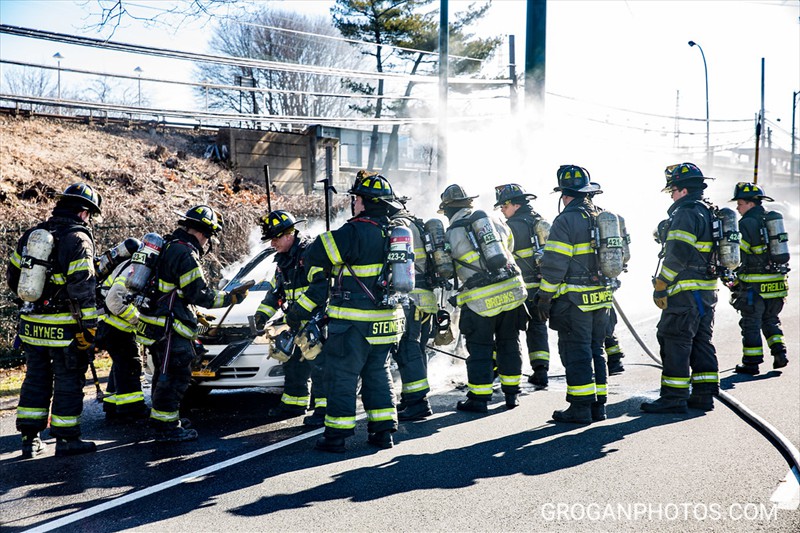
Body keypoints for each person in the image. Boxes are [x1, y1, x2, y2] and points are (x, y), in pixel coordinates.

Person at [302, 174, 404, 452]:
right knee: (377, 373)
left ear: (364, 202)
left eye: (356, 198)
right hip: (386, 321)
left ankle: (336, 436)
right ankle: (383, 432)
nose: (354, 203)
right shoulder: (393, 232)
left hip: (353, 323)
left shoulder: (355, 231)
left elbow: (315, 253)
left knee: (342, 375)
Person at [138, 205, 249, 442]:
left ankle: (163, 419)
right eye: (209, 237)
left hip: (155, 325)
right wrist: (232, 298)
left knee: (163, 373)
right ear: (204, 234)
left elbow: (174, 292)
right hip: (170, 328)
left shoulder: (168, 245)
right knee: (175, 377)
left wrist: (190, 312)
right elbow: (200, 295)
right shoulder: (185, 253)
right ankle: (167, 428)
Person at [8, 183, 102, 457]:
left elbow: (13, 279)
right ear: (84, 213)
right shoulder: (78, 240)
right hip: (64, 329)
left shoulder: (31, 236)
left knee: (35, 379)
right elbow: (83, 288)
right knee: (68, 380)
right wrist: (89, 329)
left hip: (32, 325)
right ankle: (66, 439)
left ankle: (30, 440)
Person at [440, 184, 528, 413]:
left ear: (448, 209)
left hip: (480, 301)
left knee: (480, 349)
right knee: (509, 343)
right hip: (511, 291)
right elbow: (509, 246)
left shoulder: (451, 233)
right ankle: (512, 395)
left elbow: (447, 269)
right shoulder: (495, 219)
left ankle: (479, 399)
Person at [534, 166, 611, 424]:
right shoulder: (601, 215)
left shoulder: (565, 220)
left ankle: (580, 408)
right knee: (596, 349)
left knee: (576, 351)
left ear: (564, 195)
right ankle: (598, 406)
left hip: (574, 301)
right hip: (601, 298)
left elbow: (555, 265)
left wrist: (544, 297)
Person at [641, 163, 719, 414]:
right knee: (700, 339)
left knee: (674, 338)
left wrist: (662, 284)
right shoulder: (708, 210)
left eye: (672, 191)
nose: (672, 196)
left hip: (685, 291)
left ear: (682, 190)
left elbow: (678, 254)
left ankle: (674, 397)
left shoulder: (686, 213)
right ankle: (704, 395)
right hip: (706, 291)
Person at [253, 210, 327, 424]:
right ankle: (294, 404)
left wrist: (299, 312)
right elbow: (276, 293)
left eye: (275, 238)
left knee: (319, 366)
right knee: (294, 363)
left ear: (289, 234)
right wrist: (261, 315)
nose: (272, 244)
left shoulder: (310, 254)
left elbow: (320, 288)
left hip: (316, 321)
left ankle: (324, 410)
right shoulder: (283, 261)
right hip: (296, 322)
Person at [728, 182, 789, 375]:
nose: (737, 208)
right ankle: (780, 352)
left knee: (751, 323)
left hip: (755, 285)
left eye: (740, 203)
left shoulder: (746, 223)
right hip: (777, 283)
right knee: (771, 320)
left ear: (750, 204)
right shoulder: (770, 220)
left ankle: (751, 362)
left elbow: (740, 253)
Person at [494, 183, 551, 389]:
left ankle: (500, 371)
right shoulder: (539, 222)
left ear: (516, 205)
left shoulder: (509, 227)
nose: (502, 209)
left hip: (517, 289)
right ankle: (541, 371)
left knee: (507, 331)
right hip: (539, 287)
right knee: (537, 327)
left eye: (504, 205)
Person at [389, 195, 435, 421]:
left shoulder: (398, 226)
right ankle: (410, 398)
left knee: (407, 349)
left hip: (410, 298)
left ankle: (419, 403)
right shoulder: (416, 223)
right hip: (426, 299)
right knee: (417, 350)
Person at [97, 249, 150, 423]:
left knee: (120, 364)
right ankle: (132, 409)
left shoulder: (129, 266)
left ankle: (112, 405)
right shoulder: (135, 270)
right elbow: (114, 301)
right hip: (115, 327)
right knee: (130, 365)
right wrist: (137, 320)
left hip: (106, 325)